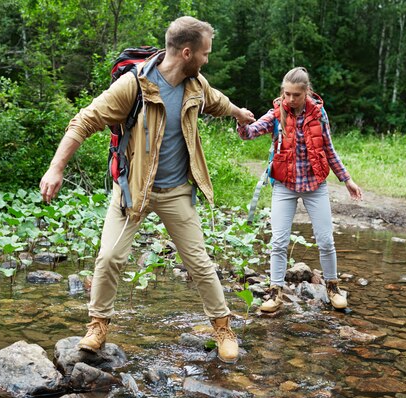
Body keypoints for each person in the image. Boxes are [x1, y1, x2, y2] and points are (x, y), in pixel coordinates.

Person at [39, 16, 255, 364]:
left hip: (176, 192)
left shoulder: (195, 84)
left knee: (199, 263)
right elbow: (84, 120)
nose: (207, 59)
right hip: (133, 190)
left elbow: (217, 101)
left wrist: (239, 114)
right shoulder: (133, 86)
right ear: (187, 52)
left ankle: (222, 327)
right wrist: (55, 167)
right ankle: (97, 325)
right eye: (205, 53)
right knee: (109, 257)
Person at [237, 67, 362, 312]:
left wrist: (346, 179)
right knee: (279, 241)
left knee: (326, 240)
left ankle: (333, 287)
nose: (290, 100)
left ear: (307, 92)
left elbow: (329, 148)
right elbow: (250, 133)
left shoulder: (319, 114)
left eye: (296, 95)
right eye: (287, 94)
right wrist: (241, 121)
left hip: (315, 186)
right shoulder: (277, 113)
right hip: (285, 186)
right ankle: (274, 293)